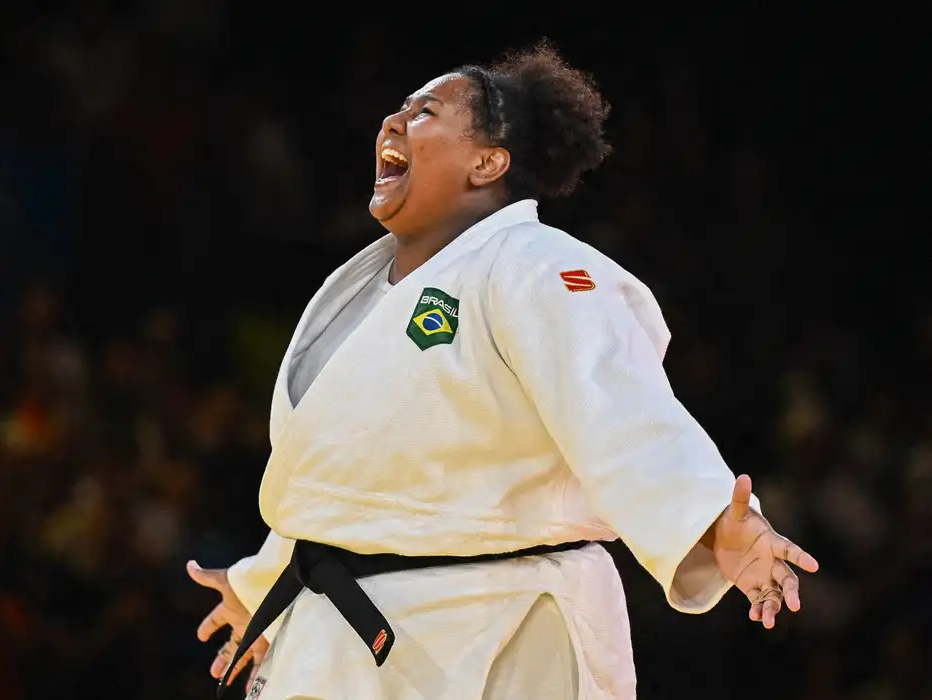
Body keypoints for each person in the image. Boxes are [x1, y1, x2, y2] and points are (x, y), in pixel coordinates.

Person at [187, 40, 819, 700]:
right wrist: (263, 583)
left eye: (425, 111)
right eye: (397, 110)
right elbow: (352, 483)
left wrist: (713, 517)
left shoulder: (535, 266)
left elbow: (617, 410)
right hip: (340, 641)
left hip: (502, 632)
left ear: (487, 162)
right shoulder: (358, 291)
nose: (393, 123)